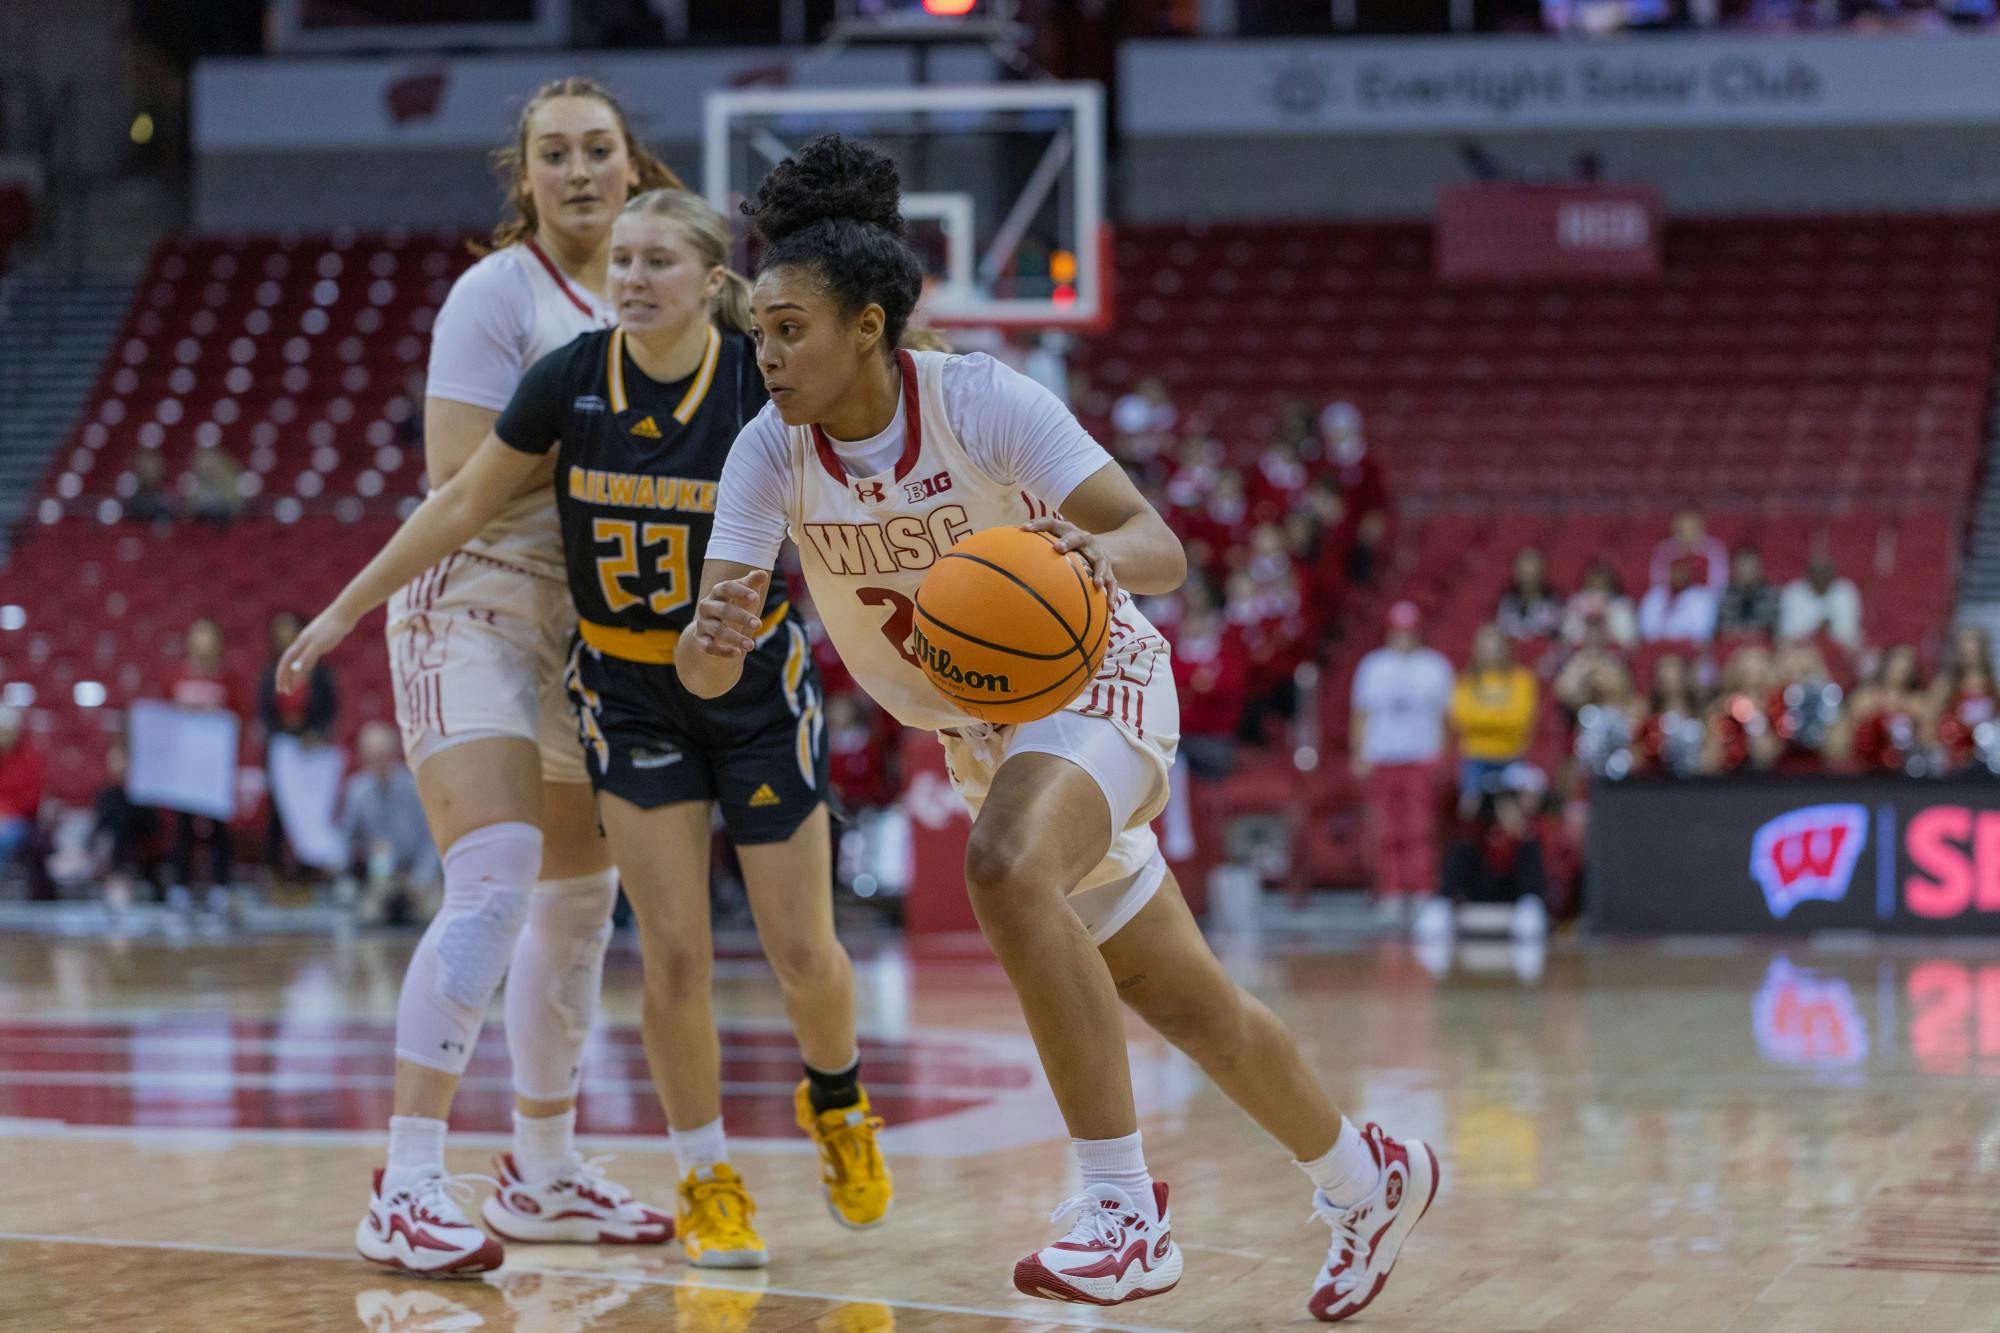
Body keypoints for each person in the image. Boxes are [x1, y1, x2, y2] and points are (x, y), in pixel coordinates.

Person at [678, 134, 1437, 1321]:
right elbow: (700, 656)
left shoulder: (979, 399)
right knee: (1188, 1002)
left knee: (1000, 868)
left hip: (1096, 683)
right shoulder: (764, 453)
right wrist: (711, 633)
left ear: (868, 326)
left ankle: (1121, 1211)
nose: (764, 354)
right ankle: (1364, 1175)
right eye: (758, 332)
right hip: (987, 740)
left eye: (788, 329)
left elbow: (1158, 548)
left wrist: (1090, 550)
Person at [283, 186, 887, 1272]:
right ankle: (705, 1179)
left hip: (752, 690)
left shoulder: (760, 377)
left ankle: (837, 1102)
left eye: (659, 261)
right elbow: (462, 500)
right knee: (671, 953)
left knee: (802, 948)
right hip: (626, 691)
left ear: (713, 283)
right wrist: (346, 604)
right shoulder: (569, 377)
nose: (632, 279)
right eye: (621, 261)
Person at [283, 77, 682, 1277]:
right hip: (474, 598)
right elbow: (460, 481)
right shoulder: (492, 296)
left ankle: (544, 1172)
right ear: (525, 177)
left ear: (631, 163)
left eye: (596, 149)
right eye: (551, 153)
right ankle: (406, 1181)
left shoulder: (667, 287)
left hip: (599, 622)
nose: (576, 171)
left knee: (578, 902)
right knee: (497, 872)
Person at [1350, 602, 1454, 919]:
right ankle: (1392, 890)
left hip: (1420, 756)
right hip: (1383, 757)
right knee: (1386, 828)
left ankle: (1422, 889)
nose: (1403, 638)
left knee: (1419, 827)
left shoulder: (1435, 666)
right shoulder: (1373, 666)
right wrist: (1360, 752)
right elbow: (1361, 713)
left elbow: (1446, 717)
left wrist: (1442, 755)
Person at [165, 617, 242, 912]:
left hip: (216, 765)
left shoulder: (229, 679)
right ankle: (180, 887)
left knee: (218, 827)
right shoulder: (174, 675)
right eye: (198, 636)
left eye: (208, 636)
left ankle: (220, 888)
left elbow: (240, 718)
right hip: (184, 762)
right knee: (183, 826)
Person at [258, 610, 338, 889]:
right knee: (279, 810)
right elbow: (264, 716)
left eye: (290, 630)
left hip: (312, 752)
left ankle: (311, 871)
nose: (285, 637)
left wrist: (315, 735)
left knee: (311, 811)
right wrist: (283, 736)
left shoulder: (321, 673)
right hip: (282, 752)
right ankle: (277, 874)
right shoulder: (270, 673)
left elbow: (330, 712)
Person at [339, 721, 439, 924]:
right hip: (380, 877)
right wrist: (346, 874)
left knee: (432, 912)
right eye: (372, 756)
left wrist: (421, 878)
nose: (378, 762)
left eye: (382, 755)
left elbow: (431, 839)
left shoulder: (415, 787)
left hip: (415, 873)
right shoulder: (357, 791)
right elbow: (346, 838)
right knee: (370, 916)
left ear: (393, 753)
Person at [1450, 624, 1537, 808]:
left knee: (1519, 808)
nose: (1491, 652)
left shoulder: (1521, 680)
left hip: (1511, 755)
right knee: (1469, 808)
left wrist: (1482, 717)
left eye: (1495, 646)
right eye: (1486, 646)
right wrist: (1501, 716)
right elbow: (1462, 718)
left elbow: (1520, 719)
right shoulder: (1466, 681)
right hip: (1476, 758)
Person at [1779, 551, 1863, 650]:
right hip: (1802, 648)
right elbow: (1788, 632)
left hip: (1839, 648)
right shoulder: (1793, 591)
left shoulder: (1846, 590)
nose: (1821, 579)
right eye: (1817, 575)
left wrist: (1829, 631)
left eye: (1825, 575)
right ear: (1808, 576)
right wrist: (1816, 629)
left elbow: (1850, 633)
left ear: (1833, 575)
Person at [0, 706, 42, 882]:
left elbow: (32, 800)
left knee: (4, 838)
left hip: (18, 821)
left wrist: (6, 814)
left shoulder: (29, 759)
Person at [1638, 557, 1720, 643]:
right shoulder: (1655, 595)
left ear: (1689, 574)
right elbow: (1646, 629)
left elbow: (1701, 632)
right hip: (1657, 647)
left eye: (1682, 572)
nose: (1678, 576)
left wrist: (1673, 638)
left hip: (1687, 648)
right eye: (1675, 572)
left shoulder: (1702, 597)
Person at [1560, 558, 1637, 648]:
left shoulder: (1623, 605)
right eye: (1595, 577)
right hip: (1580, 655)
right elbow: (1566, 638)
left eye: (1604, 579)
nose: (1599, 582)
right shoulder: (1575, 602)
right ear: (1586, 580)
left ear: (1612, 581)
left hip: (1612, 656)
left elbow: (1629, 641)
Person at [1496, 546, 1563, 642]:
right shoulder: (1507, 601)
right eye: (1523, 568)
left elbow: (1558, 636)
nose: (1528, 573)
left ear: (1543, 570)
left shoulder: (1555, 602)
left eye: (1532, 568)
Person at [1714, 547, 1780, 640]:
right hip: (1733, 646)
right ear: (1735, 569)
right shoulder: (1726, 595)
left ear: (1759, 570)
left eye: (1751, 568)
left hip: (1761, 647)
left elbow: (1769, 628)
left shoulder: (1771, 595)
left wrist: (1745, 631)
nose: (1747, 572)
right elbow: (1724, 628)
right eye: (1743, 567)